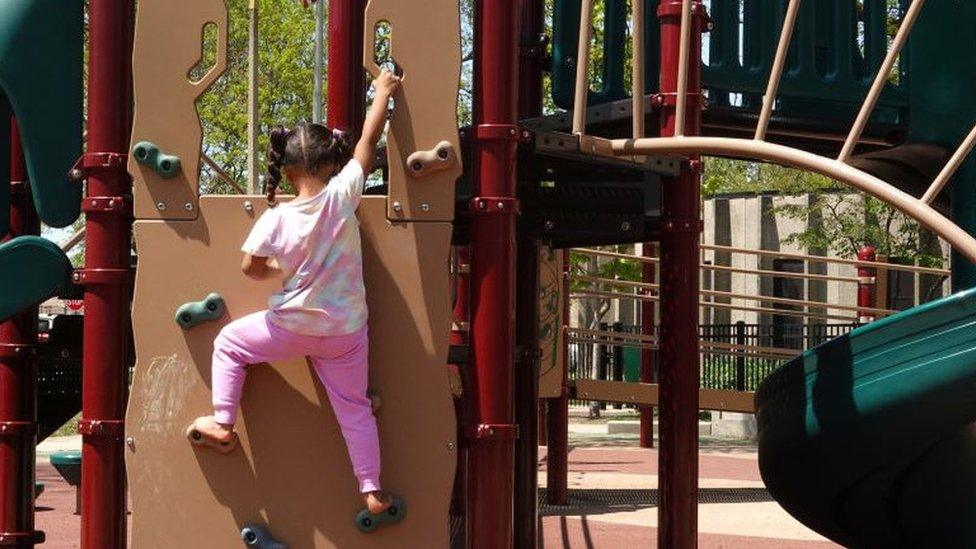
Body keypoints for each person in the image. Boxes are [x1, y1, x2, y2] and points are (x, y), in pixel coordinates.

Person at [187, 69, 402, 516]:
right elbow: (367, 139)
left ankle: (222, 423)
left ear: (285, 172)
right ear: (332, 165)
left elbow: (249, 268)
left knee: (228, 342)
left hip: (289, 327)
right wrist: (381, 91)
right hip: (345, 331)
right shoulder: (343, 196)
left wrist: (279, 271)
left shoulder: (276, 219)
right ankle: (371, 489)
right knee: (354, 409)